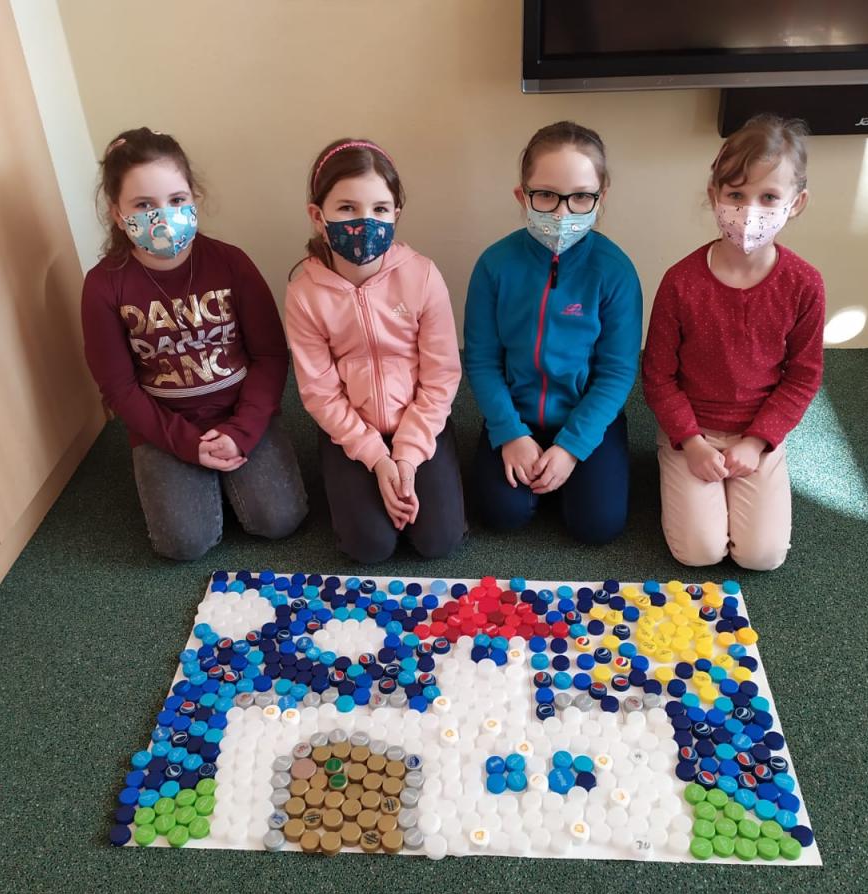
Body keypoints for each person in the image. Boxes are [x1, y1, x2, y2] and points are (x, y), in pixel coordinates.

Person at [81, 128, 307, 560]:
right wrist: (186, 443)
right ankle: (207, 479)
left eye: (176, 199)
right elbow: (118, 388)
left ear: (194, 198)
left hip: (240, 411)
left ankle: (224, 474)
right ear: (117, 214)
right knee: (183, 544)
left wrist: (243, 430)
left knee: (280, 520)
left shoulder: (232, 263)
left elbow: (270, 355)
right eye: (143, 205)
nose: (163, 216)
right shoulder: (102, 286)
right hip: (163, 425)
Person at [642, 114, 825, 570]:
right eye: (736, 195)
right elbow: (658, 375)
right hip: (691, 432)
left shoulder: (804, 284)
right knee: (698, 552)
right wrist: (691, 442)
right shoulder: (681, 282)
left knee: (762, 556)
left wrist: (758, 441)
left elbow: (803, 376)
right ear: (714, 196)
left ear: (797, 203)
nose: (750, 212)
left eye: (769, 197)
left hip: (757, 434)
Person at [284, 139, 465, 563]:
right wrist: (377, 459)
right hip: (350, 429)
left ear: (395, 214)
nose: (365, 222)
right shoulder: (304, 293)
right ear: (318, 216)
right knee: (369, 548)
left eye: (380, 209)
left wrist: (407, 456)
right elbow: (320, 392)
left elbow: (441, 375)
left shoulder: (423, 276)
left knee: (439, 541)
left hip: (419, 420)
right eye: (347, 208)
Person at [464, 121, 642, 545]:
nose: (562, 213)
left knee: (597, 526)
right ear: (521, 195)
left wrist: (572, 448)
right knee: (500, 514)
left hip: (586, 417)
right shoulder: (494, 266)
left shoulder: (615, 271)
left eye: (580, 197)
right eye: (545, 195)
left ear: (601, 197)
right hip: (516, 415)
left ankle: (569, 469)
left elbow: (617, 373)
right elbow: (482, 360)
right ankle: (532, 466)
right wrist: (509, 432)